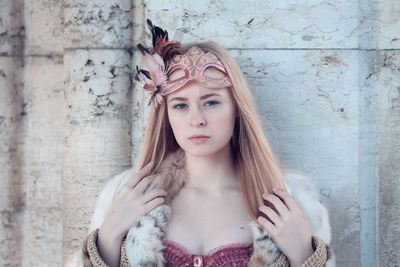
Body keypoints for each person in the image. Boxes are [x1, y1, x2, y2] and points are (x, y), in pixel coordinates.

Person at [80, 19, 334, 267]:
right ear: (166, 115)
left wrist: (304, 256)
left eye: (211, 102)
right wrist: (108, 237)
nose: (197, 120)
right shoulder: (126, 196)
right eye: (180, 105)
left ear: (236, 107)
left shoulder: (289, 202)